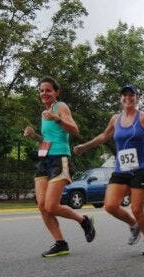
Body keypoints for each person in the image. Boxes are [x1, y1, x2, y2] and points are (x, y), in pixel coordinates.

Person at [74, 84, 144, 255]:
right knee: (109, 206)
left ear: (138, 98)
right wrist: (85, 146)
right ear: (120, 98)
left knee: (137, 209)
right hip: (121, 169)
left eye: (132, 95)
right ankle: (134, 225)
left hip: (141, 168)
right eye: (124, 95)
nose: (128, 98)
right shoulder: (115, 119)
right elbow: (103, 136)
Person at [24, 76, 95, 257]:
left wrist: (57, 118)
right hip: (45, 159)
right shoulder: (43, 113)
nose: (44, 93)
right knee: (42, 206)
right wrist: (35, 136)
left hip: (60, 159)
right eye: (41, 90)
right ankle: (60, 243)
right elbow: (48, 140)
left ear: (56, 92)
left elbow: (74, 130)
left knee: (51, 206)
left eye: (48, 90)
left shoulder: (60, 107)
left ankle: (84, 220)